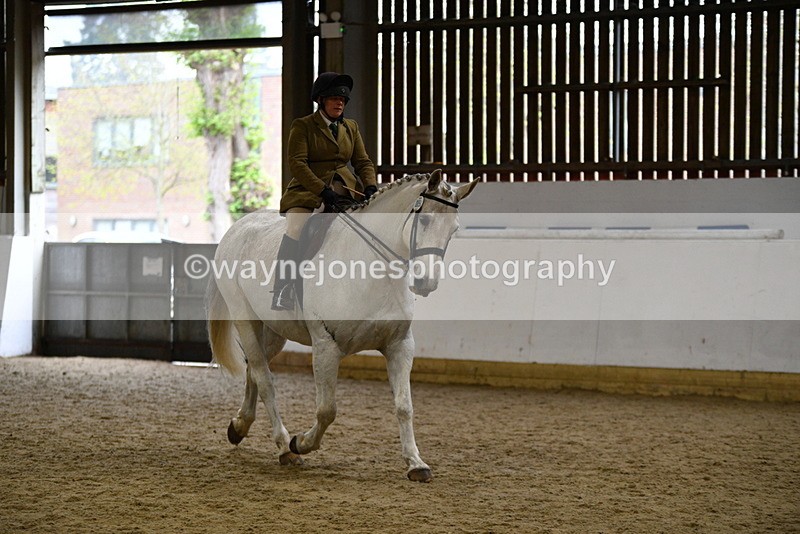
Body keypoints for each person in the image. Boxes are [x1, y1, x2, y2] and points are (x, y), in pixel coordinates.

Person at [272, 72, 378, 311]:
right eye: (334, 98)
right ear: (321, 100)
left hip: (346, 190)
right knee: (296, 228)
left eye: (343, 100)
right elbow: (297, 164)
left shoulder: (351, 127)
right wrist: (322, 190)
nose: (340, 103)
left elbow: (362, 161)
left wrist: (370, 185)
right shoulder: (303, 126)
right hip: (307, 191)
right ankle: (284, 288)